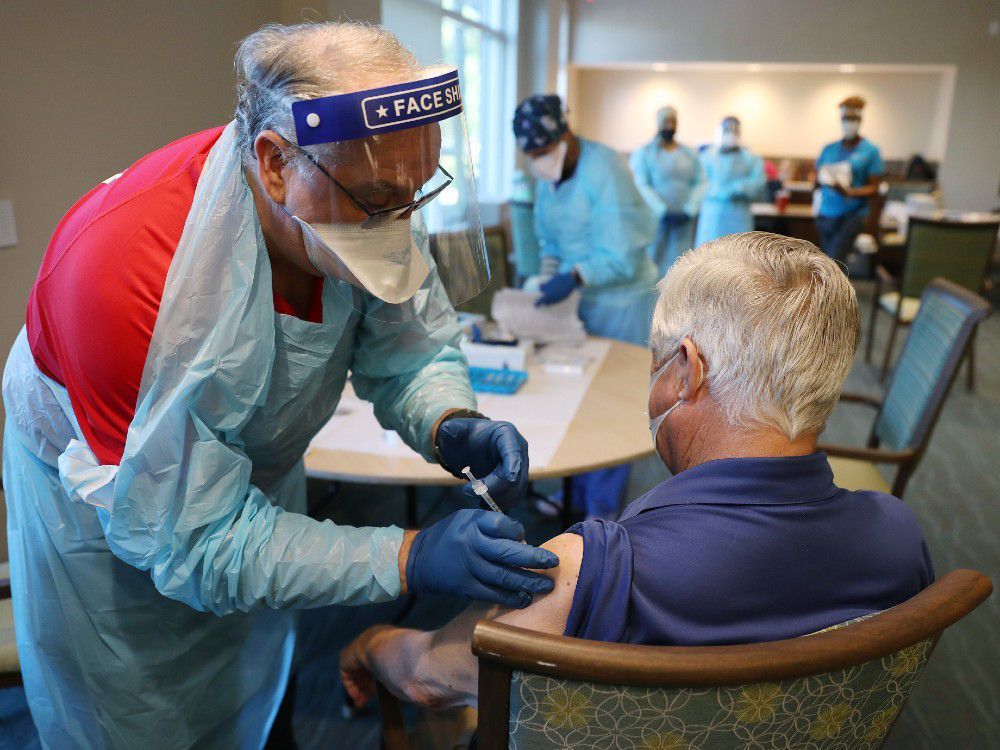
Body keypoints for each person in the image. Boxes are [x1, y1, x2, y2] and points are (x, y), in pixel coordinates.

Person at [2, 22, 559, 749]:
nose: (400, 226)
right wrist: (409, 555)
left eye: (415, 196)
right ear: (273, 165)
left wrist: (447, 419)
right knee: (138, 717)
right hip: (117, 541)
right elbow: (197, 543)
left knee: (259, 680)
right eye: (381, 202)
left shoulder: (365, 188)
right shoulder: (125, 280)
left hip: (251, 487)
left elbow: (409, 348)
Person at [339, 231, 934, 710]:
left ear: (684, 371)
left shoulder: (592, 572)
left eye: (656, 362)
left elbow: (423, 677)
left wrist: (370, 643)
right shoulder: (900, 538)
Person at [513, 93, 659, 520]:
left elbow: (622, 253)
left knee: (612, 403)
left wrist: (573, 277)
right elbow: (551, 239)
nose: (540, 162)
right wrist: (545, 276)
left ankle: (603, 512)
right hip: (580, 299)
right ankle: (574, 493)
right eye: (532, 155)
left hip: (621, 301)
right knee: (573, 394)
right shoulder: (547, 177)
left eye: (544, 151)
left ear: (565, 135)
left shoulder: (605, 169)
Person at [629, 106, 705, 273]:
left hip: (684, 220)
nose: (670, 126)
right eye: (666, 121)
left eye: (673, 122)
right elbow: (641, 184)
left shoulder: (689, 154)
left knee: (683, 263)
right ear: (658, 123)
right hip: (655, 219)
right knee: (652, 262)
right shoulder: (645, 153)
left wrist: (689, 209)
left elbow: (700, 182)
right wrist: (662, 210)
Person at [815, 96, 885, 262]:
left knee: (835, 261)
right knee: (824, 261)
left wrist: (850, 192)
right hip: (826, 213)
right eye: (846, 118)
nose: (849, 122)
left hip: (852, 214)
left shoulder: (870, 150)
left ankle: (837, 288)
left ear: (860, 119)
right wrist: (824, 180)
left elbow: (874, 187)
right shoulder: (829, 149)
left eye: (853, 118)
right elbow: (817, 178)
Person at [694, 115, 765, 246]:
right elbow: (698, 183)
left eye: (734, 130)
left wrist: (738, 188)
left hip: (739, 216)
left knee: (739, 255)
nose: (731, 133)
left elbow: (759, 183)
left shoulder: (751, 159)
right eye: (727, 130)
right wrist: (718, 190)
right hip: (712, 217)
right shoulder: (707, 157)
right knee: (708, 256)